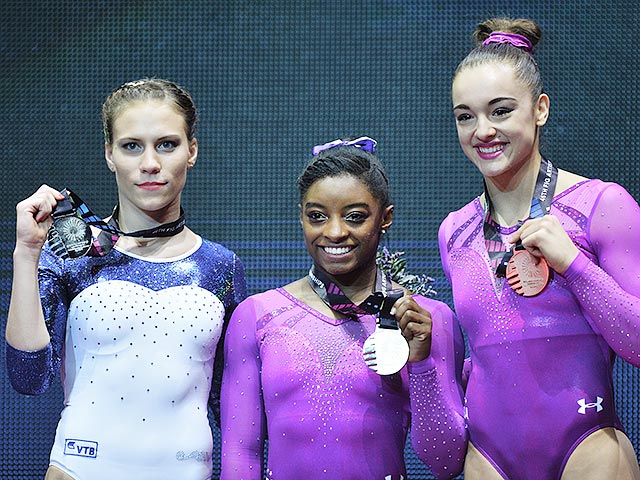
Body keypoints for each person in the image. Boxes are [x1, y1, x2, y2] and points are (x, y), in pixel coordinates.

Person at [5, 78, 247, 480]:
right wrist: (28, 253)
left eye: (166, 144)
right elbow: (29, 378)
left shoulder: (221, 266)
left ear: (192, 151)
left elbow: (232, 407)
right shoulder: (71, 255)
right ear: (109, 154)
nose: (149, 163)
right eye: (132, 146)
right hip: (78, 469)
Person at [438, 17, 640, 480]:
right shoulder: (455, 232)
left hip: (588, 452)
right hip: (488, 460)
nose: (482, 130)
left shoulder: (602, 206)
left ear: (540, 109)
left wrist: (573, 264)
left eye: (500, 111)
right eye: (465, 116)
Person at [220, 137, 467, 480]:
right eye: (317, 216)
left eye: (354, 217)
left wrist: (422, 363)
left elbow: (446, 462)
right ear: (301, 217)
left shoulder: (425, 320)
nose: (334, 232)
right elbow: (240, 452)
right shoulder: (257, 315)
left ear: (385, 218)